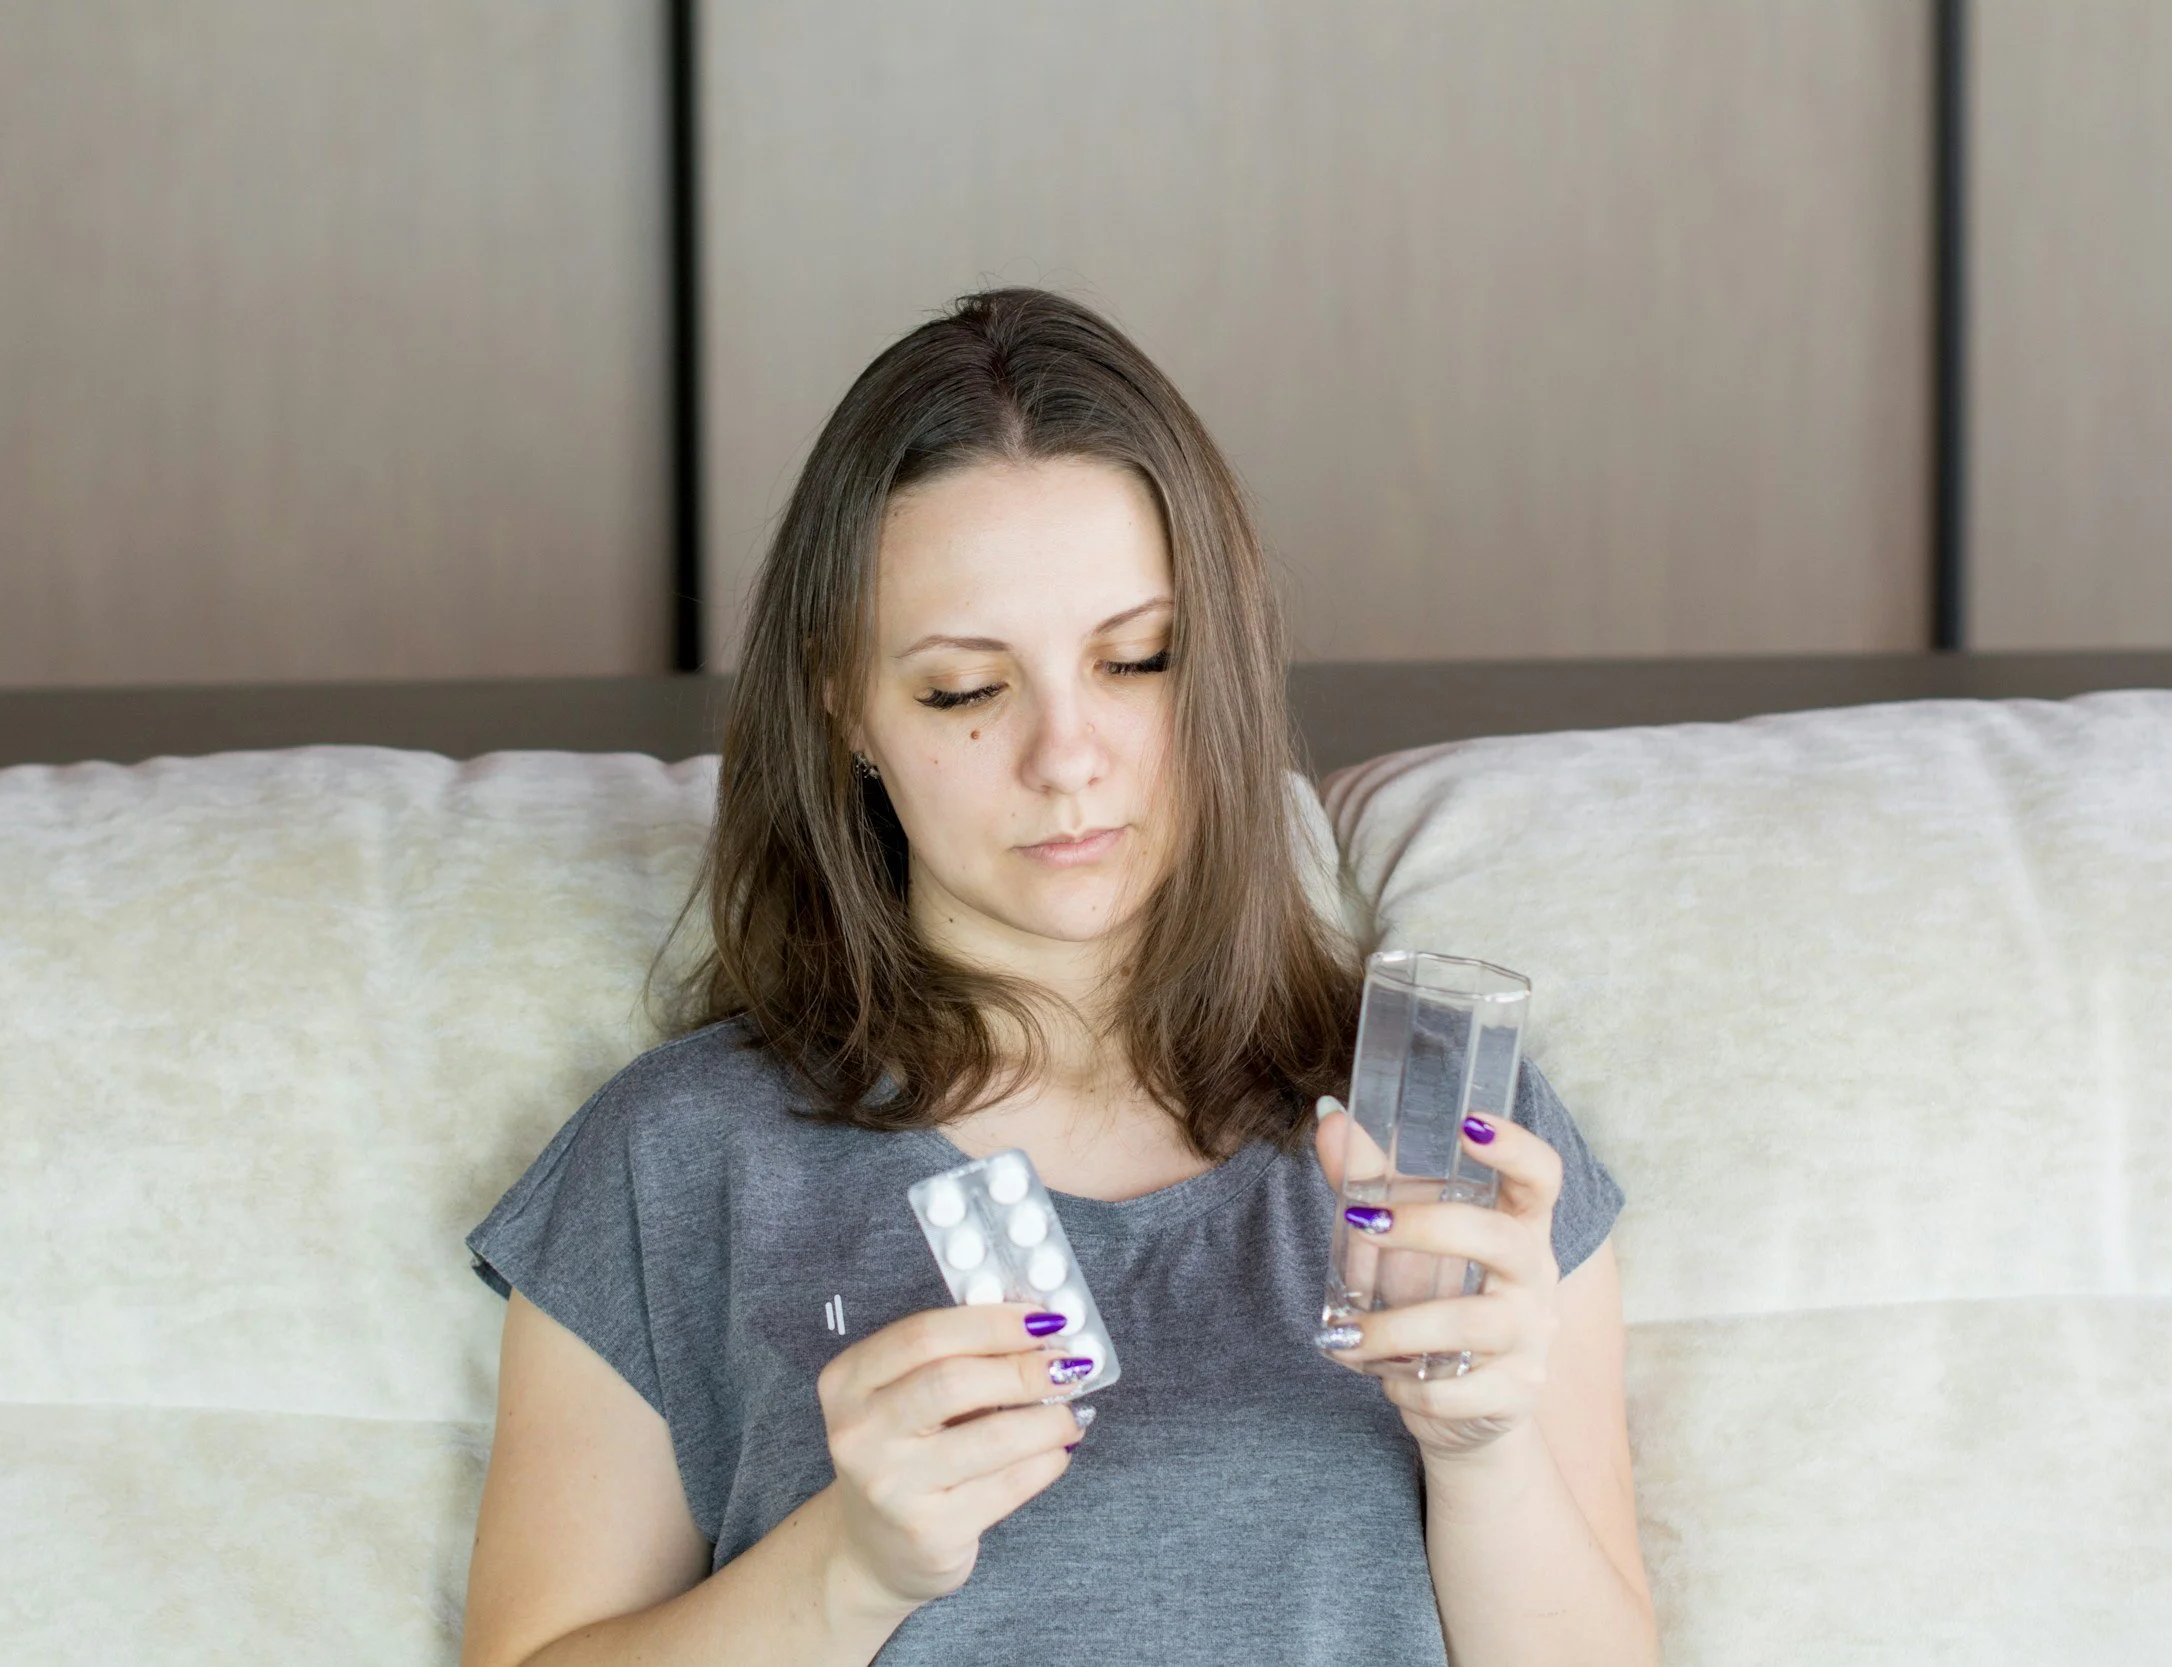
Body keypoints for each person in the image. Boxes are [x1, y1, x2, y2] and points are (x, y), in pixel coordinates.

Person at [456, 288, 1657, 1667]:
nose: (1067, 755)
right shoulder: (678, 1157)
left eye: (1136, 660)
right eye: (967, 688)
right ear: (841, 697)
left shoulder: (1449, 1139)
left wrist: (1484, 1450)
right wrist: (851, 1566)